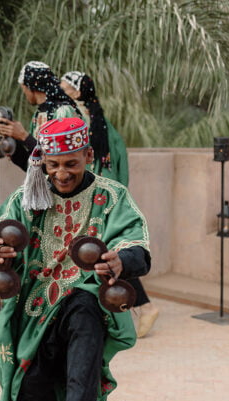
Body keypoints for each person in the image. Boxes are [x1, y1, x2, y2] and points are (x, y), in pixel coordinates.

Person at [0, 118, 150, 401]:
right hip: (34, 308)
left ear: (88, 155)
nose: (61, 173)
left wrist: (121, 260)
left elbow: (138, 246)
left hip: (82, 296)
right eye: (53, 164)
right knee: (31, 390)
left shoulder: (112, 196)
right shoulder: (26, 196)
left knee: (85, 318)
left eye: (71, 163)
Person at [60, 71, 159, 337]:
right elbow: (120, 165)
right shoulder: (102, 123)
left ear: (77, 92)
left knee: (105, 256)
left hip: (94, 200)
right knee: (105, 254)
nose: (61, 92)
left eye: (66, 88)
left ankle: (144, 307)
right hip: (104, 199)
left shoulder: (79, 123)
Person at [0, 61, 82, 172]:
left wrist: (24, 136)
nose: (25, 94)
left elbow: (61, 160)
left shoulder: (63, 112)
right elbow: (34, 166)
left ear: (30, 87)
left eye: (23, 89)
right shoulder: (38, 115)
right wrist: (13, 142)